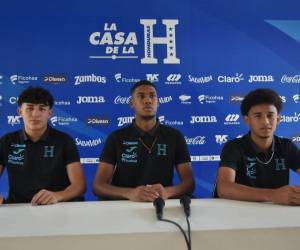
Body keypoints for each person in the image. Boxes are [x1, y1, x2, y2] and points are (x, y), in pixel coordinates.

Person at [93, 80, 195, 201]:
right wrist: (130, 193)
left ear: (158, 102)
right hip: (124, 207)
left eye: (152, 96)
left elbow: (189, 183)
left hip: (161, 205)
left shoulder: (175, 136)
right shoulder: (116, 137)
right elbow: (98, 186)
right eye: (141, 96)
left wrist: (167, 192)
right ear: (131, 103)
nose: (148, 100)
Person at [0, 87, 86, 205]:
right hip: (18, 207)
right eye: (29, 108)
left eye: (42, 109)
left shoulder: (64, 141)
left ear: (49, 113)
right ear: (20, 112)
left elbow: (79, 186)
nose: (35, 114)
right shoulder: (6, 141)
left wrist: (57, 196)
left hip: (57, 207)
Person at [215, 88, 300, 205]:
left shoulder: (287, 146)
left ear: (278, 119)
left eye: (270, 115)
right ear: (247, 119)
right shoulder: (234, 147)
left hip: (277, 214)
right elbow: (224, 188)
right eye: (258, 116)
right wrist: (274, 195)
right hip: (239, 214)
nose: (265, 121)